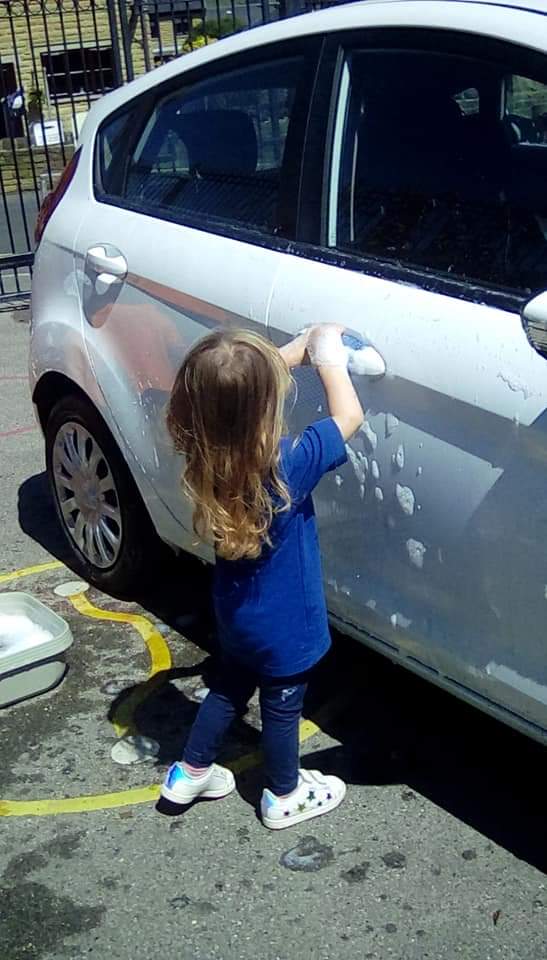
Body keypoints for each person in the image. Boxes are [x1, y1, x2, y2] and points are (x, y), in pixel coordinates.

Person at [161, 324, 364, 829]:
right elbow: (349, 416)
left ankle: (190, 773)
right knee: (281, 705)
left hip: (236, 615)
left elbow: (226, 388)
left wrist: (285, 356)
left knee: (228, 689)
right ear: (265, 405)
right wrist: (326, 355)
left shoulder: (205, 456)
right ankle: (283, 794)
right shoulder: (288, 464)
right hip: (286, 625)